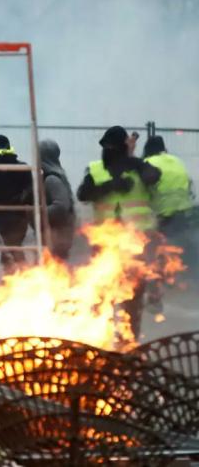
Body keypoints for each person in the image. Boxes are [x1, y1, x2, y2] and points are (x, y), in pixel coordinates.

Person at [77, 126, 160, 337]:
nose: (110, 151)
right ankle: (99, 338)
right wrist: (111, 185)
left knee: (133, 296)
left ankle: (129, 341)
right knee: (102, 293)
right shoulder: (96, 169)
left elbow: (154, 176)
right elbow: (83, 194)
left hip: (135, 244)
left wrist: (134, 163)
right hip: (104, 244)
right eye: (107, 147)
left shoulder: (137, 167)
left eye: (114, 147)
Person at [0, 134, 34, 273]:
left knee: (11, 248)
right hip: (19, 215)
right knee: (12, 247)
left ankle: (22, 276)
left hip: (3, 215)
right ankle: (16, 279)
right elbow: (31, 191)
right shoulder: (22, 168)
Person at [143, 135, 196, 269]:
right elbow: (190, 186)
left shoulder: (148, 162)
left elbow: (143, 192)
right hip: (186, 211)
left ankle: (158, 275)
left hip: (165, 214)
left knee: (155, 248)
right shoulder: (177, 161)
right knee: (185, 246)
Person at [39, 139, 76, 261]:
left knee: (54, 267)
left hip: (57, 235)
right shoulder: (57, 175)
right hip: (58, 233)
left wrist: (37, 213)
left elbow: (60, 206)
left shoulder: (52, 179)